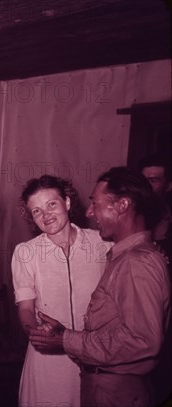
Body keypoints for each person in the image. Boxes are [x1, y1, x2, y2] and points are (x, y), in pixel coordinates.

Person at [29, 167, 171, 407]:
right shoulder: (123, 256)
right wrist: (64, 334)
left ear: (122, 205)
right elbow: (114, 325)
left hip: (117, 392)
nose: (89, 211)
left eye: (96, 203)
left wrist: (66, 340)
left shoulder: (137, 262)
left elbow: (142, 340)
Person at [11, 175, 111, 407]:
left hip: (94, 355)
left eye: (51, 204)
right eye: (36, 211)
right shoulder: (25, 252)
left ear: (67, 202)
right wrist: (36, 334)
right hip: (48, 361)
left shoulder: (102, 243)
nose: (45, 215)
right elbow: (26, 307)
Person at [138, 155, 172, 405]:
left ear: (168, 185)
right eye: (143, 180)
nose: (147, 187)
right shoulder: (131, 217)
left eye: (154, 180)